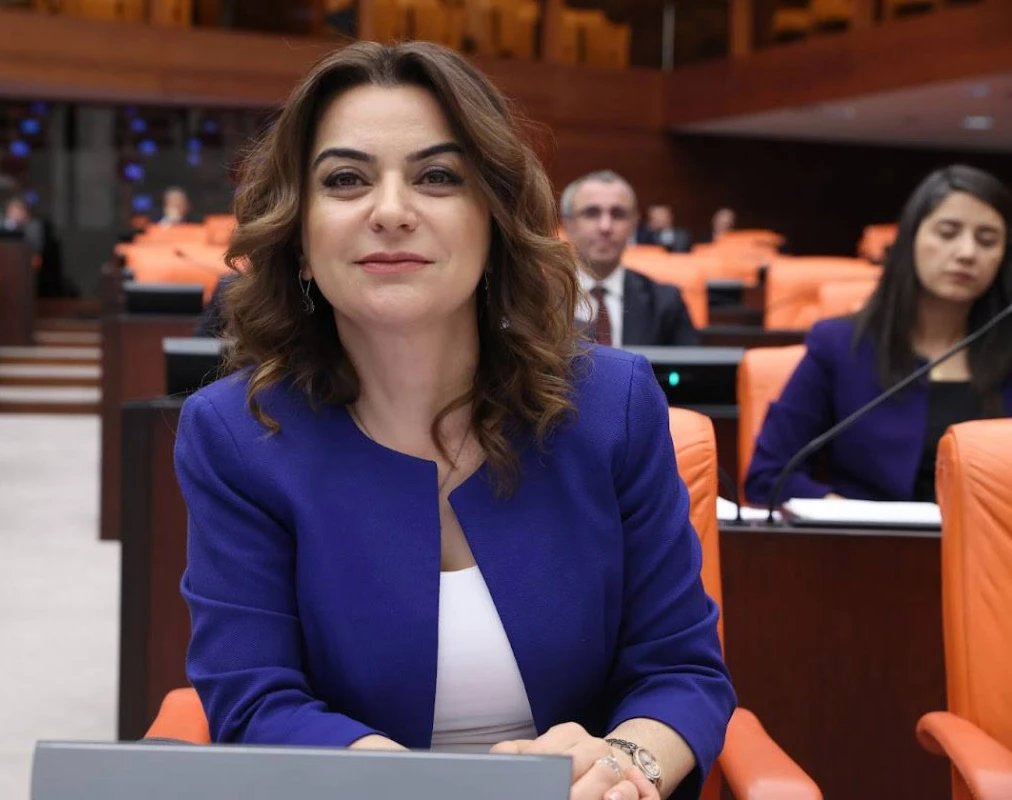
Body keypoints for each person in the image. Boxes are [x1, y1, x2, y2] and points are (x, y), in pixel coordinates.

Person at [174, 41, 734, 800]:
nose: (391, 212)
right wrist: (414, 785)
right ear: (300, 237)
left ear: (494, 220)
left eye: (437, 176)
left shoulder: (614, 404)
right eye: (345, 180)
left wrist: (622, 766)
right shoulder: (235, 435)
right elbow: (253, 696)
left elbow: (682, 672)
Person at [746, 165, 1012, 505]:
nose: (967, 253)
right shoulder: (839, 345)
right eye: (947, 233)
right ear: (909, 239)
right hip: (867, 537)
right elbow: (768, 477)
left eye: (987, 240)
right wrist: (844, 512)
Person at [560, 173, 699, 347]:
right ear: (567, 224)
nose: (605, 226)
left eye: (618, 214)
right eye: (592, 213)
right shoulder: (540, 300)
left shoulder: (665, 302)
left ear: (634, 224)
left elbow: (691, 362)